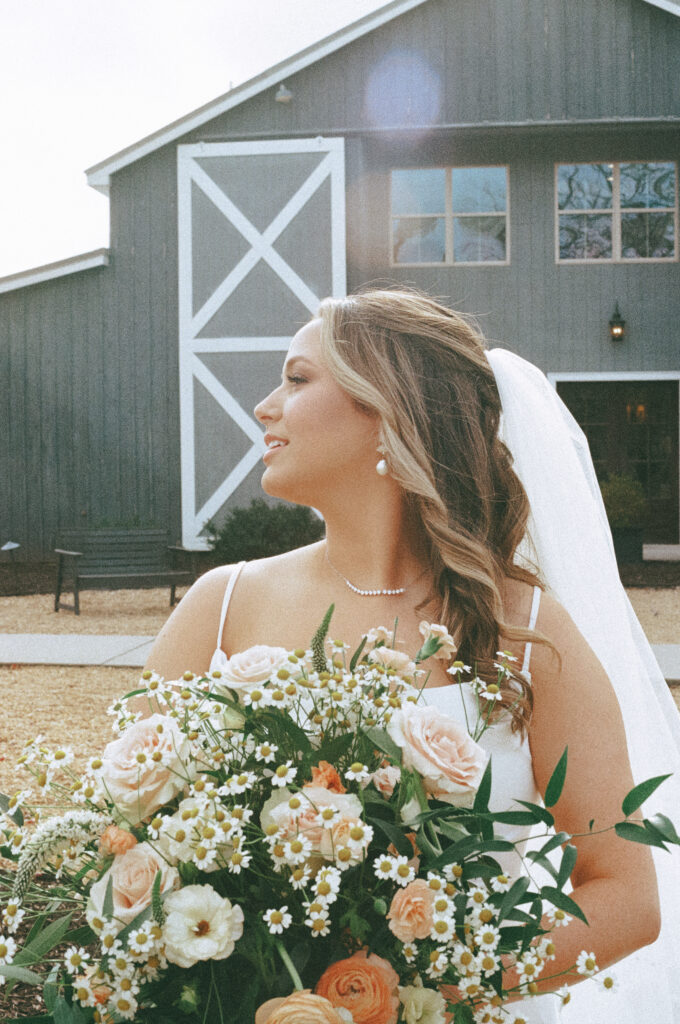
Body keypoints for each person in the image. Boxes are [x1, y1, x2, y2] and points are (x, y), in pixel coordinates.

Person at [144, 288, 679, 1023]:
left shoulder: (527, 633)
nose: (265, 408)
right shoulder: (219, 606)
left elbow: (626, 893)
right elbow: (126, 844)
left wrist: (419, 994)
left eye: (297, 380)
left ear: (387, 412)